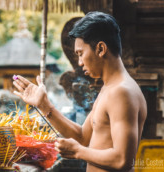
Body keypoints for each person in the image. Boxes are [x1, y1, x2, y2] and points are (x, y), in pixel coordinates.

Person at [12, 11, 147, 172]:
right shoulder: (109, 88)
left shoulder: (121, 92)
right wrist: (44, 105)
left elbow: (122, 160)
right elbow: (82, 137)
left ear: (101, 49)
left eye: (80, 54)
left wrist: (77, 151)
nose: (80, 62)